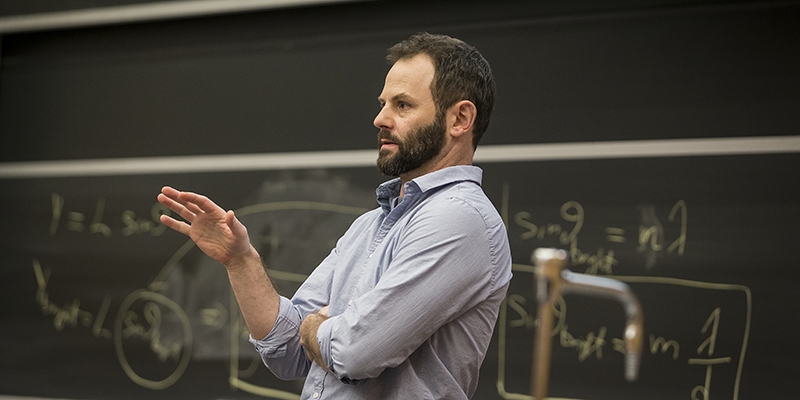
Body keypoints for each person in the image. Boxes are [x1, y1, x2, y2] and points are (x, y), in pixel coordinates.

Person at [157, 32, 512, 399]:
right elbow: (286, 352)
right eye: (383, 103)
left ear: (460, 119)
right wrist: (240, 260)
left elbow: (355, 353)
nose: (380, 119)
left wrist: (315, 328)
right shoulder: (369, 226)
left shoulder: (460, 219)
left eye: (402, 105)